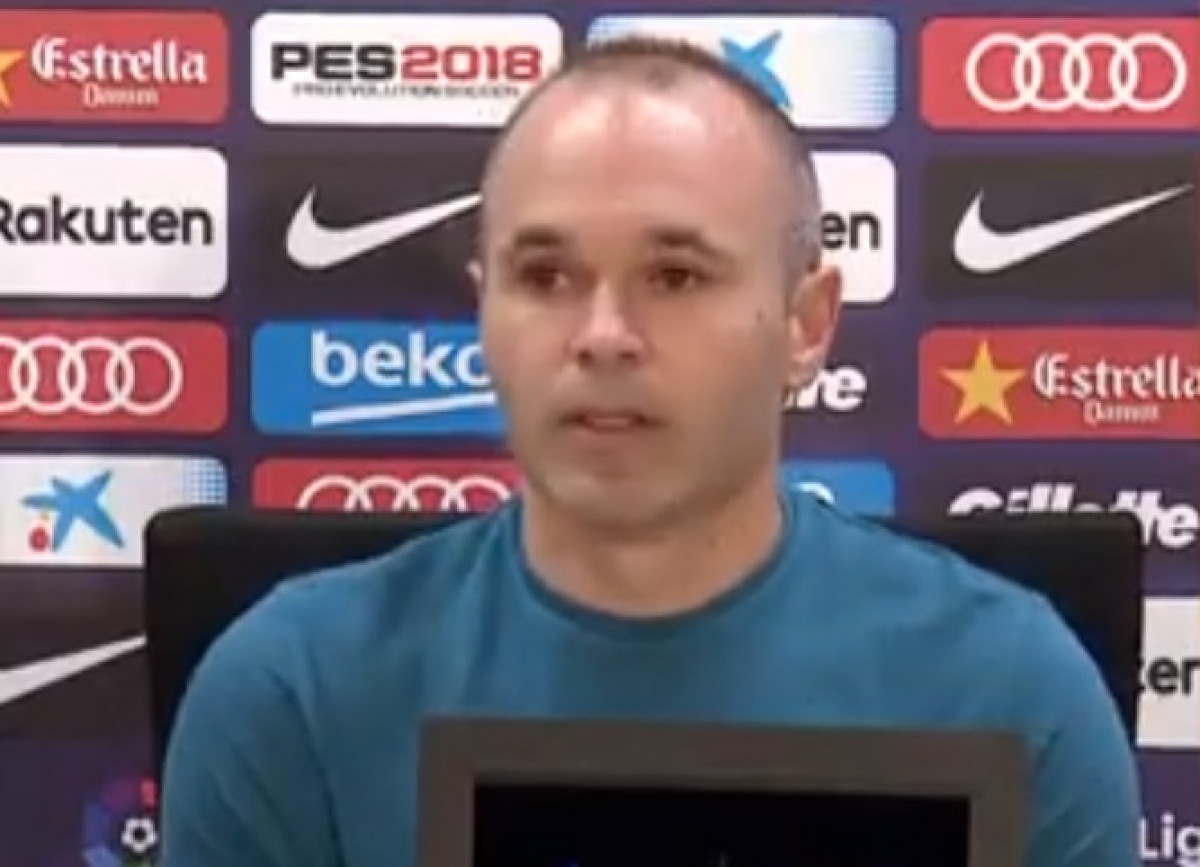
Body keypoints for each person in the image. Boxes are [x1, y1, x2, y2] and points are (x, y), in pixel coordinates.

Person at [159, 35, 1140, 867]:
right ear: (484, 309)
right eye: (545, 276)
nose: (602, 335)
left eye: (675, 276)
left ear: (807, 323)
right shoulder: (291, 694)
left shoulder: (1012, 689)